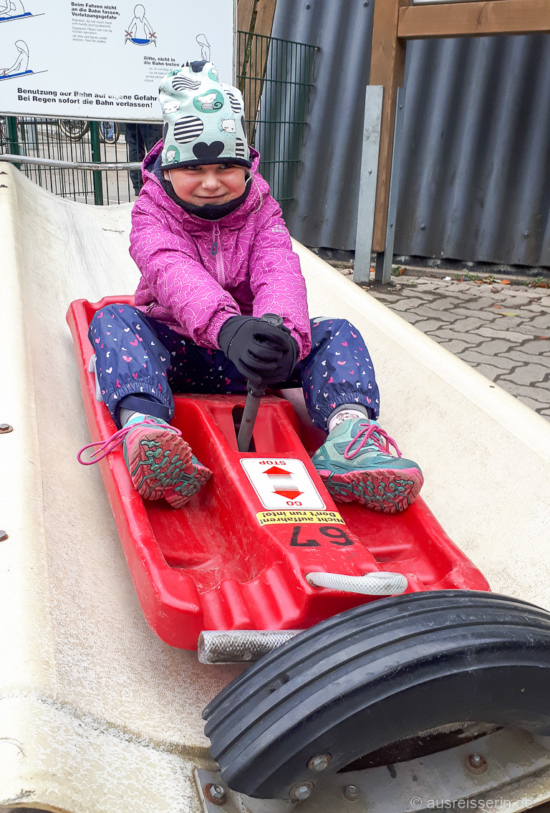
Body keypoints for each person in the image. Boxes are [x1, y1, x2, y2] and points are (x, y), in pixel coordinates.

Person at [79, 61, 423, 514]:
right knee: (113, 321)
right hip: (178, 348)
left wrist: (280, 333)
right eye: (193, 168)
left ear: (245, 166)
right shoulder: (151, 213)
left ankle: (347, 438)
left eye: (226, 166)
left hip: (252, 358)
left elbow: (278, 269)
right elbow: (170, 270)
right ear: (169, 167)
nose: (210, 182)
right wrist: (226, 327)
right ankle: (146, 430)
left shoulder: (261, 208)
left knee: (337, 333)